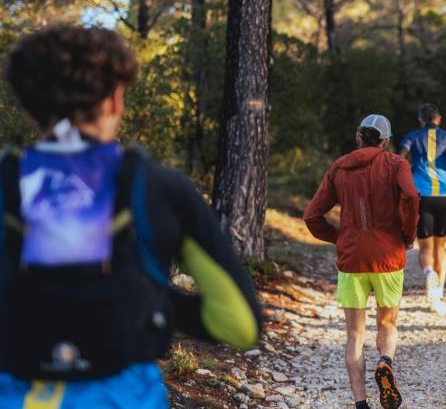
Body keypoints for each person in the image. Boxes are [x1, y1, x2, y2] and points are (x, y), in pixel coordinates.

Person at [0, 25, 262, 408]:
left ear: (27, 107)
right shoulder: (161, 187)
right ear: (116, 101)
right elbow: (239, 324)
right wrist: (149, 297)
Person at [303, 115, 420, 409]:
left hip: (352, 259)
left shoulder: (338, 168)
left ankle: (361, 403)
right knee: (387, 323)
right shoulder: (396, 164)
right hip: (388, 257)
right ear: (385, 141)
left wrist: (339, 238)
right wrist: (407, 233)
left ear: (358, 137)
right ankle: (385, 361)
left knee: (354, 333)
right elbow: (410, 194)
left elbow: (311, 216)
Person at [399, 103, 446, 314]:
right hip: (445, 196)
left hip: (421, 196)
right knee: (441, 246)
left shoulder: (412, 137)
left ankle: (429, 272)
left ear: (421, 120)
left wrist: (404, 182)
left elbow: (399, 158)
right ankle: (438, 296)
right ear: (438, 119)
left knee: (425, 248)